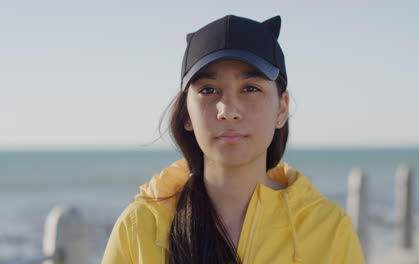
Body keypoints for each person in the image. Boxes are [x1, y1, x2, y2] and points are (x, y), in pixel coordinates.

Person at [101, 14, 366, 264]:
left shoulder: (328, 227)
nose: (228, 111)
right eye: (208, 90)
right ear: (186, 115)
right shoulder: (141, 226)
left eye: (250, 88)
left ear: (282, 109)